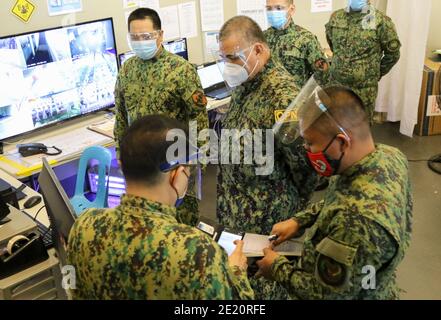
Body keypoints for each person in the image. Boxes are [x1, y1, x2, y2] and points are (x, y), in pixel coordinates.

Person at [68, 115, 254, 300]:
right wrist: (236, 273)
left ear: (123, 166)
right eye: (187, 169)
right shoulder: (199, 252)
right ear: (176, 174)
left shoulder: (84, 227)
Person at [257, 84, 413, 299]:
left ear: (341, 143)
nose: (307, 151)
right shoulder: (389, 156)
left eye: (310, 143)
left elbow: (324, 294)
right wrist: (299, 221)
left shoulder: (357, 223)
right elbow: (343, 197)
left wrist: (276, 268)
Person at [216, 16, 317, 299]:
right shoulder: (247, 83)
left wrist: (290, 209)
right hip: (237, 218)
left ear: (258, 50)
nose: (228, 65)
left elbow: (306, 167)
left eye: (233, 57)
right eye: (223, 58)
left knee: (264, 293)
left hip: (265, 223)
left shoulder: (282, 96)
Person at [114, 8, 209, 227]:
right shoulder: (127, 70)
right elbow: (120, 118)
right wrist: (121, 155)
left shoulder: (181, 71)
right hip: (140, 171)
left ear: (160, 35)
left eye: (146, 37)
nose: (140, 42)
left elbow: (200, 123)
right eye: (134, 38)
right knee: (144, 230)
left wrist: (192, 168)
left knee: (181, 232)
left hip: (173, 170)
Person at [325, 0, 401, 123]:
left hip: (364, 91)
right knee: (336, 127)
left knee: (360, 131)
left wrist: (375, 73)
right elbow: (333, 45)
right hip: (337, 87)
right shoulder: (336, 17)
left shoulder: (381, 21)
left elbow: (393, 54)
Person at [264, 0, 329, 88]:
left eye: (279, 8)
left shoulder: (305, 39)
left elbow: (323, 76)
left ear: (291, 9)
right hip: (269, 97)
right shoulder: (262, 38)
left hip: (296, 98)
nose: (273, 12)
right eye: (269, 8)